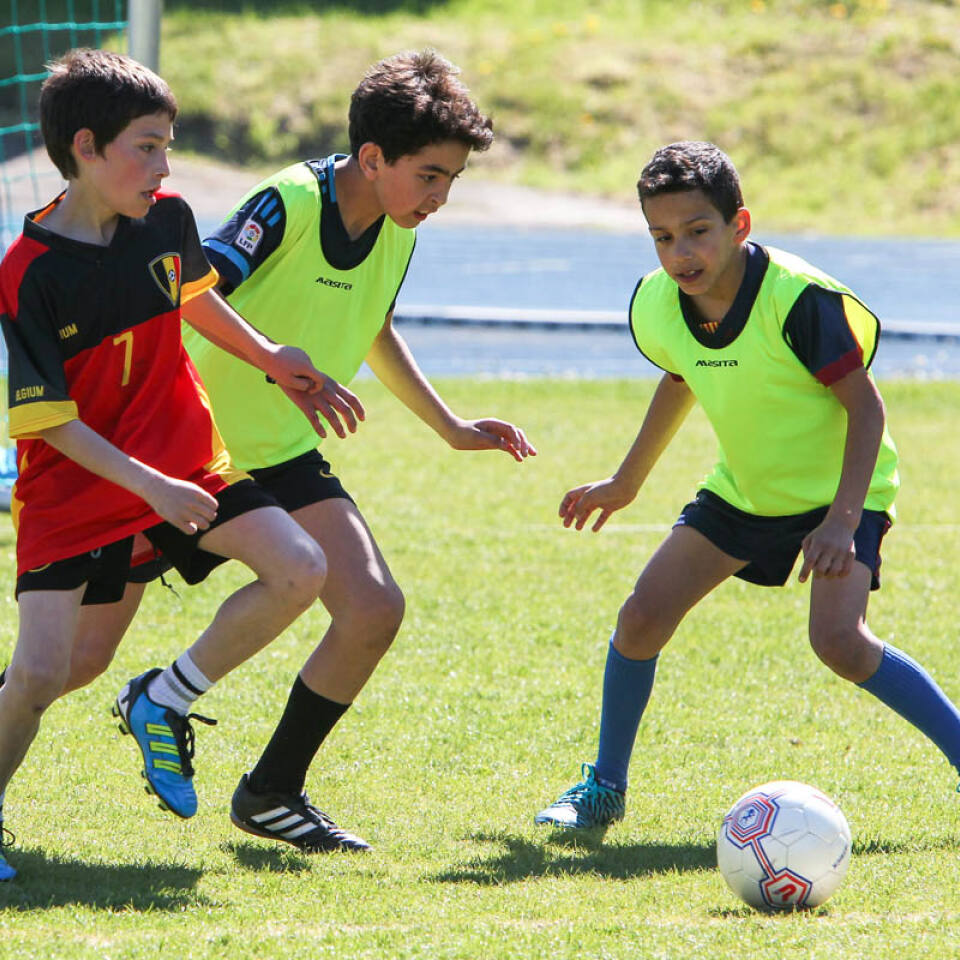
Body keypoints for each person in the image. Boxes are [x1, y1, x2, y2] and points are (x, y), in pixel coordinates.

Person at [29, 49, 536, 856]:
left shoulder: (398, 227)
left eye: (451, 179)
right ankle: (145, 703)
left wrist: (448, 426)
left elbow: (375, 326)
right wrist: (270, 361)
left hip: (278, 451)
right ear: (373, 157)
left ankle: (268, 791)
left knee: (372, 608)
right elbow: (187, 289)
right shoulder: (289, 203)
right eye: (431, 176)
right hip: (183, 450)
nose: (441, 195)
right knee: (75, 660)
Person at [0, 48, 363, 881]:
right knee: (54, 670)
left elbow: (194, 294)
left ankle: (164, 696)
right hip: (78, 490)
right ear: (86, 148)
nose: (165, 166)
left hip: (185, 460)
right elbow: (50, 423)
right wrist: (150, 487)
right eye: (148, 147)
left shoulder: (166, 220)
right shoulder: (27, 273)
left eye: (168, 146)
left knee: (301, 567)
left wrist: (270, 357)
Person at [535, 141, 960, 830]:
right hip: (748, 490)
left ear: (740, 225)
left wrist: (842, 520)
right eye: (662, 237)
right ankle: (604, 788)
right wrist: (626, 481)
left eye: (697, 231)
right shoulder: (661, 303)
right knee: (641, 618)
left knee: (840, 641)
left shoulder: (798, 301)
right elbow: (679, 378)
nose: (681, 254)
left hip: (840, 495)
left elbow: (867, 409)